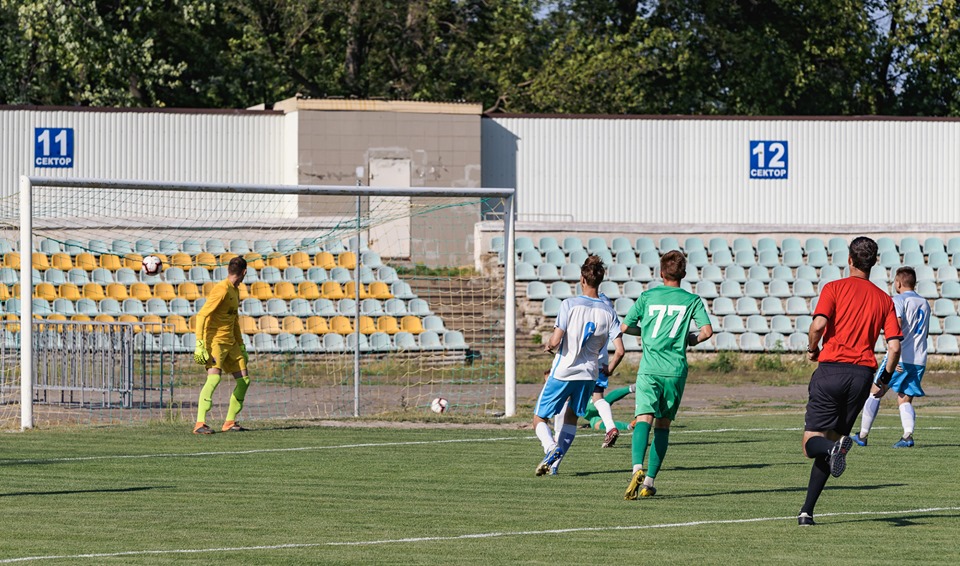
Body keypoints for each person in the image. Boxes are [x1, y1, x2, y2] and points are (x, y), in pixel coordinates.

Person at [798, 236, 901, 526]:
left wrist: (812, 349)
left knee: (811, 444)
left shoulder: (833, 288)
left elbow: (818, 325)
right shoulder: (884, 298)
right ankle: (807, 512)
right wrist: (884, 380)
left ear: (850, 260)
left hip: (831, 369)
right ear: (875, 263)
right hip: (861, 377)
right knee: (833, 441)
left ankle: (832, 451)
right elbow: (894, 347)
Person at [621, 250, 713, 499]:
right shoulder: (692, 300)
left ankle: (636, 468)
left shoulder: (648, 296)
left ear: (661, 273)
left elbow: (625, 326)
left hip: (650, 368)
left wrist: (648, 332)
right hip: (674, 371)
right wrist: (689, 340)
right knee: (663, 426)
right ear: (683, 274)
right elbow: (706, 331)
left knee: (643, 418)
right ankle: (649, 482)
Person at [533, 255, 625, 476]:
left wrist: (548, 346)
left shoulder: (569, 305)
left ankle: (550, 448)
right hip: (589, 373)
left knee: (539, 418)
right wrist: (610, 368)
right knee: (572, 417)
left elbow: (555, 341)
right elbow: (621, 350)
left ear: (582, 279)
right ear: (600, 281)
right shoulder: (609, 311)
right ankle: (554, 465)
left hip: (564, 370)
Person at [852, 266, 930, 448]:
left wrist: (893, 356)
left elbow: (897, 325)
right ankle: (907, 436)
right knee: (904, 397)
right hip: (919, 359)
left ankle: (862, 436)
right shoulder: (925, 303)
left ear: (899, 282)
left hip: (900, 357)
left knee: (875, 392)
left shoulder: (898, 300)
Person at [193, 256, 252, 434]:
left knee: (244, 380)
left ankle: (229, 422)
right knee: (214, 378)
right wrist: (200, 344)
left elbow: (234, 320)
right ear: (244, 272)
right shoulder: (221, 290)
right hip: (216, 342)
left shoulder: (235, 290)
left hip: (231, 343)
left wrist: (241, 345)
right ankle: (199, 424)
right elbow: (202, 315)